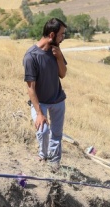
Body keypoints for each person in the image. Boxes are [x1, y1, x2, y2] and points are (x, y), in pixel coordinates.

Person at [23, 18, 68, 173]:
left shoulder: (56, 51)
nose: (63, 38)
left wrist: (60, 58)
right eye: (61, 34)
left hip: (58, 101)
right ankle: (43, 156)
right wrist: (40, 114)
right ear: (51, 34)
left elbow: (62, 74)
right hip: (40, 102)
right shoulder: (31, 56)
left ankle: (54, 166)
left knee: (56, 135)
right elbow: (31, 88)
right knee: (42, 131)